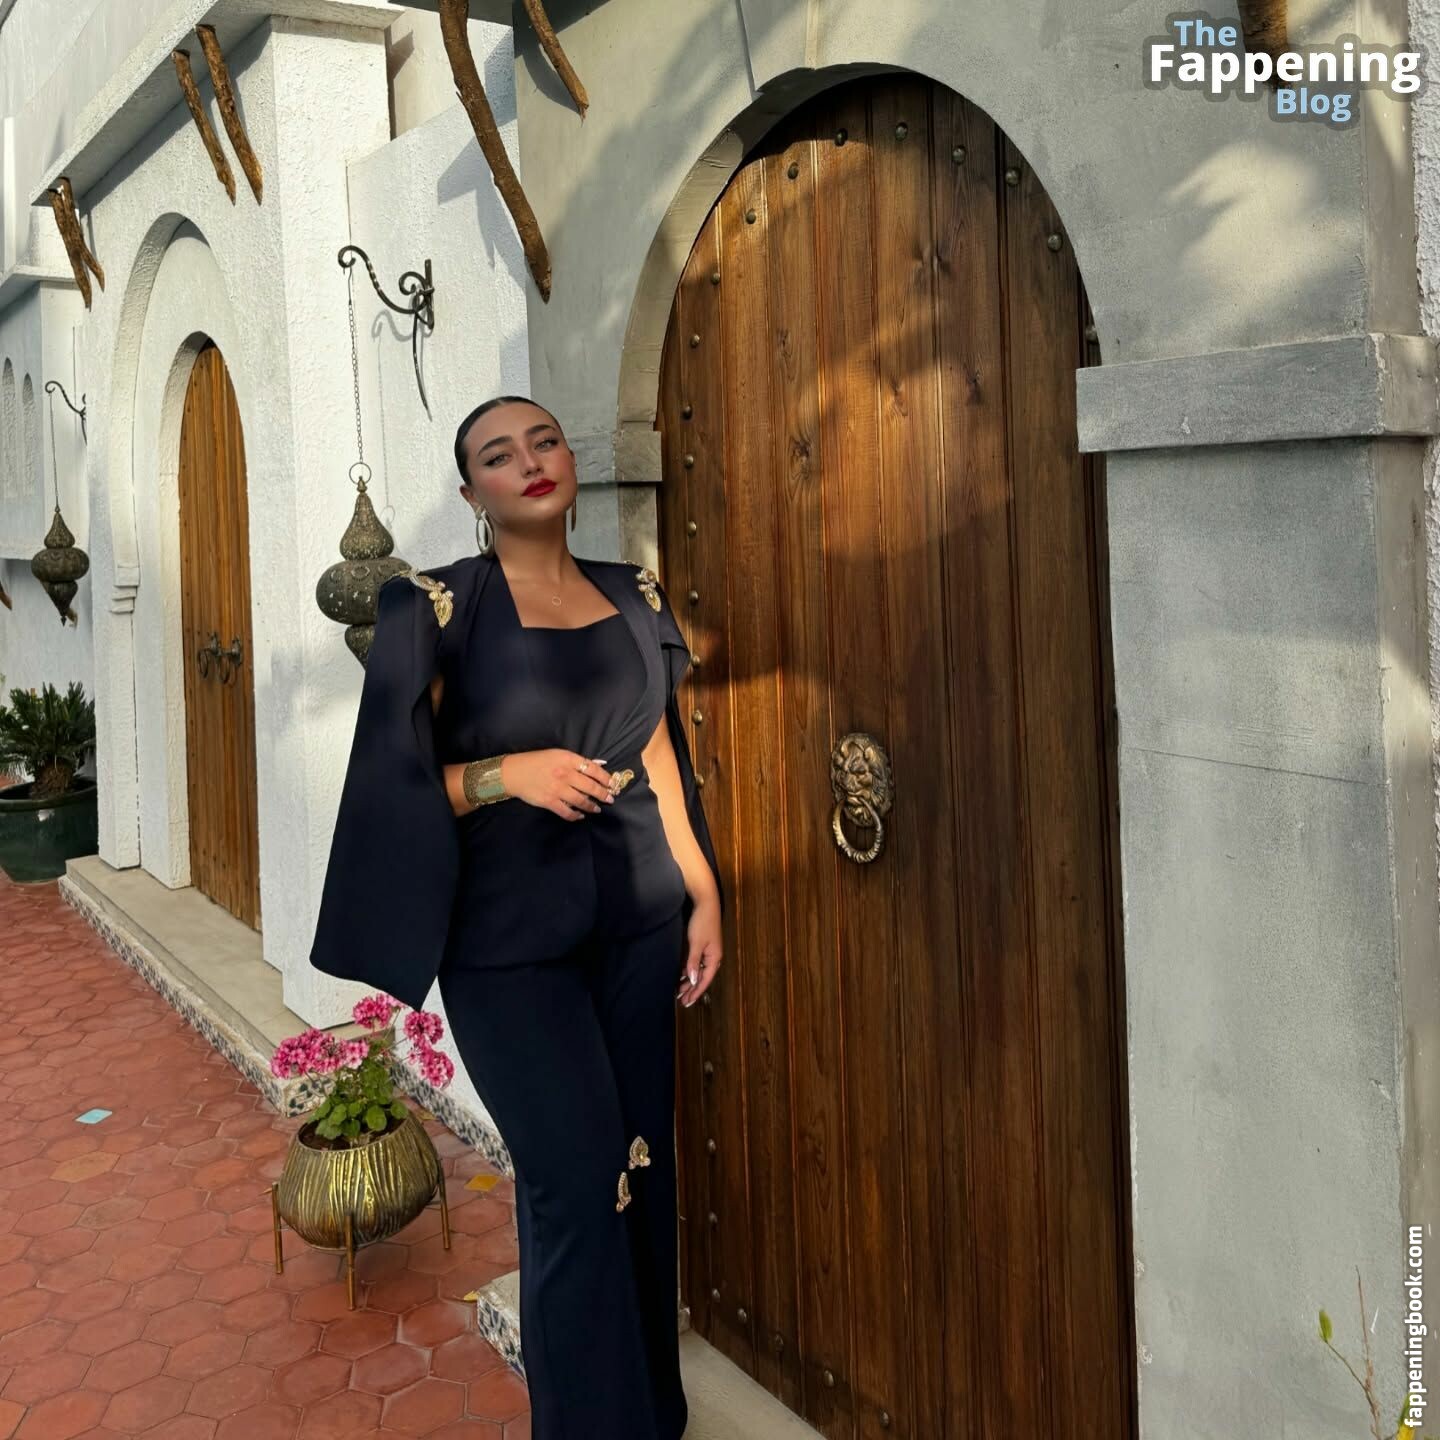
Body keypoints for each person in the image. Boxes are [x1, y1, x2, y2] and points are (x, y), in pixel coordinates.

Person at [308, 394, 725, 1440]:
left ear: (569, 461)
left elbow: (658, 752)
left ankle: (650, 1415)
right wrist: (509, 774)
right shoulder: (435, 608)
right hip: (507, 948)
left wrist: (705, 891)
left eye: (544, 441)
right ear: (472, 493)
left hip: (639, 922)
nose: (529, 461)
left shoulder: (630, 593)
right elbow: (394, 786)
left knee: (639, 1164)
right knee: (572, 1184)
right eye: (499, 455)